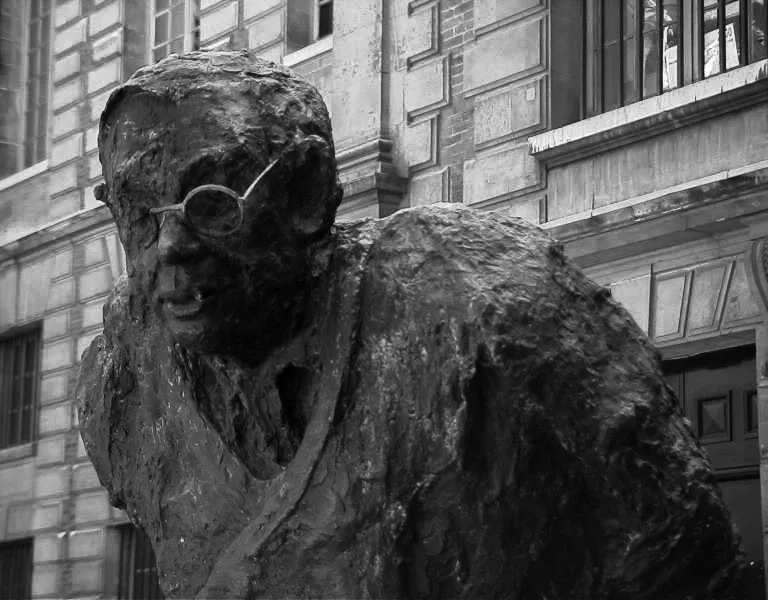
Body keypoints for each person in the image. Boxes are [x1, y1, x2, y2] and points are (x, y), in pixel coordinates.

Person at [76, 51, 742, 599]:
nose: (170, 247)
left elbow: (685, 561)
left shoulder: (485, 306)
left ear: (307, 191)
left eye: (211, 203)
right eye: (137, 213)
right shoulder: (122, 379)